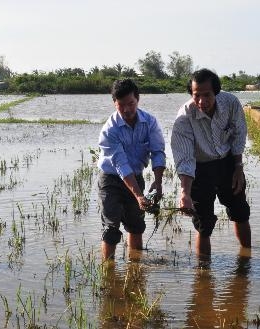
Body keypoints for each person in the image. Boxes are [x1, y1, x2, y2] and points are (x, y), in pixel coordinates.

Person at [170, 68, 251, 257]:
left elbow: (239, 134)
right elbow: (185, 157)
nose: (202, 101)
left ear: (216, 92)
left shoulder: (230, 103)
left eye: (207, 95)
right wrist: (185, 193)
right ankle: (204, 274)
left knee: (240, 212)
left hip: (228, 163)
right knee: (203, 224)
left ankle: (246, 261)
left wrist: (238, 168)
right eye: (197, 95)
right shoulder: (184, 117)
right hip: (200, 169)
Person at [97, 78, 166, 260]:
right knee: (111, 228)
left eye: (131, 104)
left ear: (138, 100)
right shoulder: (109, 129)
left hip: (136, 175)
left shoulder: (150, 122)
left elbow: (158, 152)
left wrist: (158, 182)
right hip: (111, 178)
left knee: (136, 224)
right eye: (121, 105)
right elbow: (120, 164)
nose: (126, 110)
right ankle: (108, 272)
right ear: (114, 103)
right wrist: (139, 196)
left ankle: (136, 268)